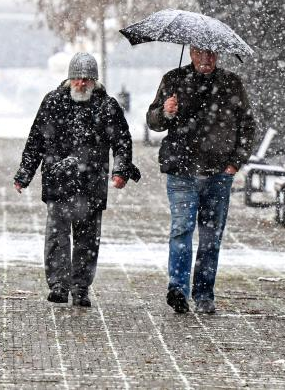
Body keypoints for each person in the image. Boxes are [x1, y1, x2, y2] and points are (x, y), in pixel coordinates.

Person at [14, 52, 139, 307]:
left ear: (94, 81)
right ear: (69, 79)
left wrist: (120, 171)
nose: (81, 84)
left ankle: (80, 287)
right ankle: (59, 284)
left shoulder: (107, 107)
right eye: (77, 79)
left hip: (91, 184)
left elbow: (122, 142)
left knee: (87, 239)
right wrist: (24, 174)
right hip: (58, 180)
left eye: (87, 79)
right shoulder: (53, 102)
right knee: (57, 237)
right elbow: (36, 140)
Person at [147, 45, 255, 314]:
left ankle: (204, 292)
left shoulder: (231, 83)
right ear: (191, 53)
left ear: (218, 55)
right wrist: (166, 111)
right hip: (181, 170)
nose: (205, 59)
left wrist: (235, 162)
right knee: (181, 229)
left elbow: (247, 125)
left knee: (210, 237)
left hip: (218, 173)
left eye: (211, 53)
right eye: (199, 53)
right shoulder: (173, 79)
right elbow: (153, 121)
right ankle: (178, 289)